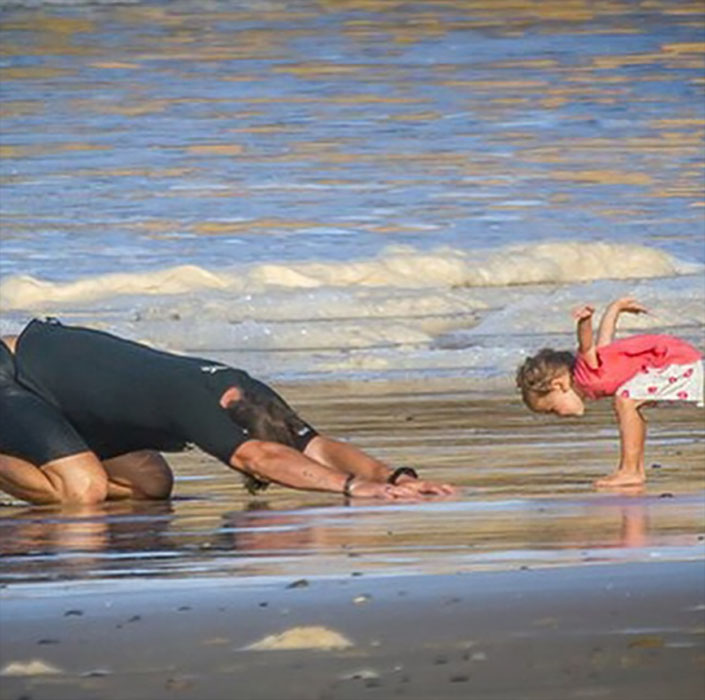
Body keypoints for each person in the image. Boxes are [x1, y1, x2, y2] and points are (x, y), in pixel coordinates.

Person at [0, 318, 454, 505]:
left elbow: (317, 446)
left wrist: (394, 477)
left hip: (62, 390)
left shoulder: (248, 396)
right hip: (13, 371)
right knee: (83, 491)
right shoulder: (213, 414)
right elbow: (260, 458)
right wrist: (355, 489)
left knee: (152, 485)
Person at [515, 297, 703, 487]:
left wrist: (584, 320)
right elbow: (605, 337)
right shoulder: (599, 364)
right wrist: (615, 308)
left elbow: (586, 343)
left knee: (625, 400)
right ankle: (635, 470)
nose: (559, 415)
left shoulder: (585, 371)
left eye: (553, 409)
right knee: (628, 403)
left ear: (559, 385)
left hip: (671, 359)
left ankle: (629, 471)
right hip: (676, 358)